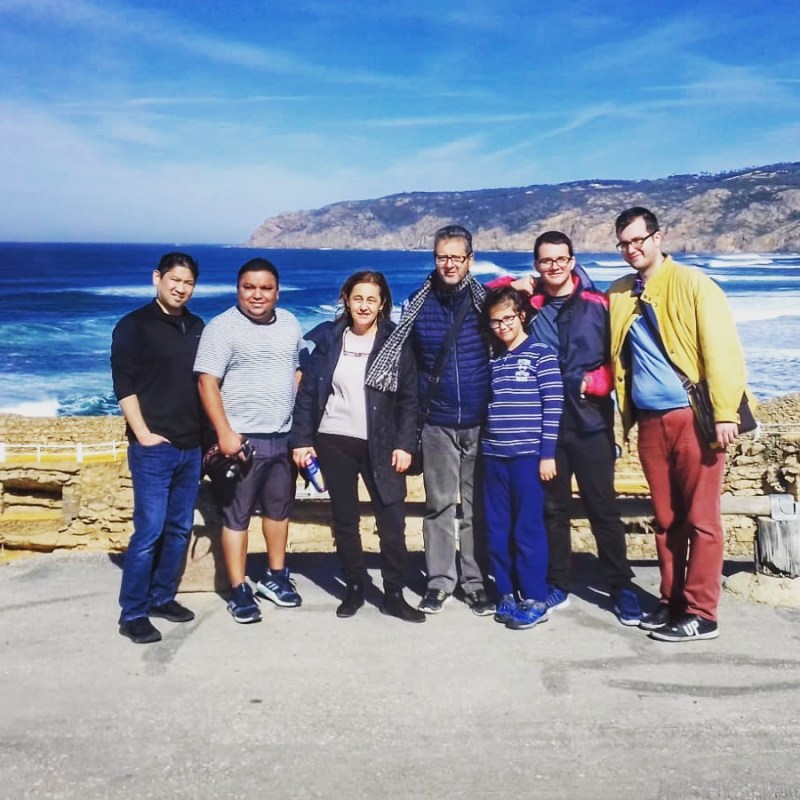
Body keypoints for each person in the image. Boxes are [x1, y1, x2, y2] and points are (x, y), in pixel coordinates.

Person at [608, 207, 749, 642]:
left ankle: (702, 612)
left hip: (693, 418)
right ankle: (671, 600)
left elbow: (722, 349)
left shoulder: (693, 284)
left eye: (639, 240)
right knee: (666, 520)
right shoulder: (619, 294)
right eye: (624, 243)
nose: (632, 249)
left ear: (657, 237)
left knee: (702, 519)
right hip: (650, 423)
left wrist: (725, 412)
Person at [489, 231, 643, 625]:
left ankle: (621, 587)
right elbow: (485, 299)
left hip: (589, 422)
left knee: (602, 509)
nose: (553, 266)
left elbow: (621, 355)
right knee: (552, 511)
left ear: (572, 261)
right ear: (536, 264)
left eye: (560, 259)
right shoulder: (530, 303)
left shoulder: (597, 303)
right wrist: (511, 283)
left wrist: (595, 384)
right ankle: (557, 583)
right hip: (548, 428)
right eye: (545, 261)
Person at [366, 225, 493, 616]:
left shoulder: (485, 303)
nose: (449, 264)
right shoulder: (418, 305)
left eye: (457, 257)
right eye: (442, 257)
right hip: (437, 422)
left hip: (480, 420)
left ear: (470, 260)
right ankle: (439, 581)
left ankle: (474, 582)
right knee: (438, 505)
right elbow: (398, 355)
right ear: (435, 259)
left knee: (474, 509)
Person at [291, 271, 424, 622]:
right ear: (346, 300)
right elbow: (308, 393)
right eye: (357, 298)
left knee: (391, 521)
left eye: (371, 299)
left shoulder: (395, 342)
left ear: (382, 304)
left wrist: (405, 443)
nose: (364, 305)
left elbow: (411, 399)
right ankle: (354, 587)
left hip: (382, 444)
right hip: (334, 440)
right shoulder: (329, 338)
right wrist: (303, 439)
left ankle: (394, 593)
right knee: (345, 520)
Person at [194, 258, 304, 624]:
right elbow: (207, 382)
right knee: (237, 517)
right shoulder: (222, 328)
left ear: (277, 291)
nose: (257, 295)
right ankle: (239, 588)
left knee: (279, 512)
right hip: (242, 441)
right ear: (238, 288)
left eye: (265, 288)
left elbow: (297, 368)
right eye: (249, 287)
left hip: (283, 437)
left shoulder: (289, 323)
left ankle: (275, 576)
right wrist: (224, 433)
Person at [111, 252, 204, 644]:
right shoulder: (134, 326)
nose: (180, 288)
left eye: (188, 283)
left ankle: (162, 596)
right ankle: (133, 612)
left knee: (180, 528)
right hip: (154, 447)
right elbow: (124, 386)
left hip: (192, 445)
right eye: (174, 280)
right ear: (157, 278)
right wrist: (144, 433)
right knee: (148, 530)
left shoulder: (198, 326)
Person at [480, 286, 563, 630]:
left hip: (528, 457)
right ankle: (505, 592)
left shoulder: (542, 354)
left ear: (522, 316)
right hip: (493, 456)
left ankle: (534, 597)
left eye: (508, 319)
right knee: (497, 529)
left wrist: (547, 455)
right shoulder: (494, 360)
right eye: (495, 322)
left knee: (527, 529)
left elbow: (554, 406)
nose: (502, 327)